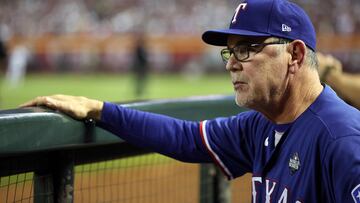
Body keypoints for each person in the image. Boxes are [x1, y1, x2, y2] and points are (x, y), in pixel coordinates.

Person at [21, 0, 360, 202]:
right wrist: (101, 110)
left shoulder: (343, 142)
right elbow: (187, 139)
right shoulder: (262, 124)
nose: (231, 63)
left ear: (295, 55)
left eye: (247, 48)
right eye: (230, 51)